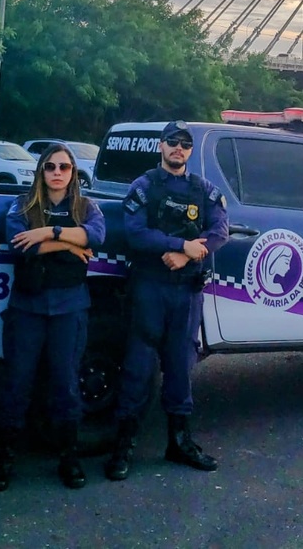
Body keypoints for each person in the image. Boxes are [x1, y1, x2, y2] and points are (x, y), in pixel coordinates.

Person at [104, 120, 228, 481]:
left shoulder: (203, 189)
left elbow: (220, 231)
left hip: (186, 289)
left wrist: (188, 256)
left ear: (191, 150)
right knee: (138, 367)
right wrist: (178, 245)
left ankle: (179, 442)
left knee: (179, 368)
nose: (178, 148)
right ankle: (123, 447)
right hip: (150, 288)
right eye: (172, 142)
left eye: (185, 144)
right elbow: (135, 233)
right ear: (161, 146)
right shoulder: (144, 186)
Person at [0, 143, 105, 492]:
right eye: (50, 166)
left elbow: (96, 235)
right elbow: (20, 244)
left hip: (69, 309)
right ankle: (4, 458)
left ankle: (69, 458)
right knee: (16, 385)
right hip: (28, 308)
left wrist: (49, 233)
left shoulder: (86, 206)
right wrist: (70, 244)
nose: (57, 172)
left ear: (73, 172)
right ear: (41, 171)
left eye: (64, 167)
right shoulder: (23, 206)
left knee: (66, 385)